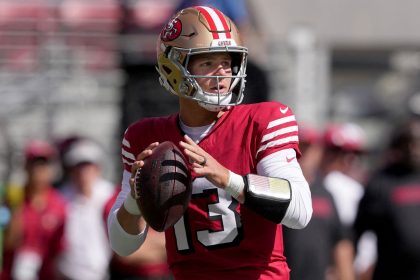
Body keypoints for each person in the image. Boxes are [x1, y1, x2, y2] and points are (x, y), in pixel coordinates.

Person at [107, 6, 312, 280]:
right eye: (207, 62)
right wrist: (135, 200)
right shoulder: (145, 137)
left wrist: (228, 178)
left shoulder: (263, 120)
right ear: (174, 68)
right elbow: (123, 245)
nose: (222, 74)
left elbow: (300, 209)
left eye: (227, 62)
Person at [283, 125, 354, 280]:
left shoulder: (326, 192)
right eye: (297, 148)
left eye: (307, 149)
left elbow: (341, 242)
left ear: (318, 152)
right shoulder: (278, 189)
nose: (301, 155)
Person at [354, 115, 420, 280]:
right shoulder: (381, 182)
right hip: (392, 272)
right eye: (407, 142)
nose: (413, 148)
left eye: (418, 142)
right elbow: (357, 231)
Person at [1, 140, 67, 280]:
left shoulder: (59, 204)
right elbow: (8, 242)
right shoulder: (13, 198)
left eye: (43, 164)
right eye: (34, 164)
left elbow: (60, 251)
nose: (38, 170)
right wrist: (15, 208)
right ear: (26, 166)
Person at [57, 139, 115, 280]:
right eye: (78, 167)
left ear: (97, 168)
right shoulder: (61, 197)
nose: (83, 172)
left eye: (87, 166)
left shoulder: (110, 195)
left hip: (104, 273)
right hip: (67, 274)